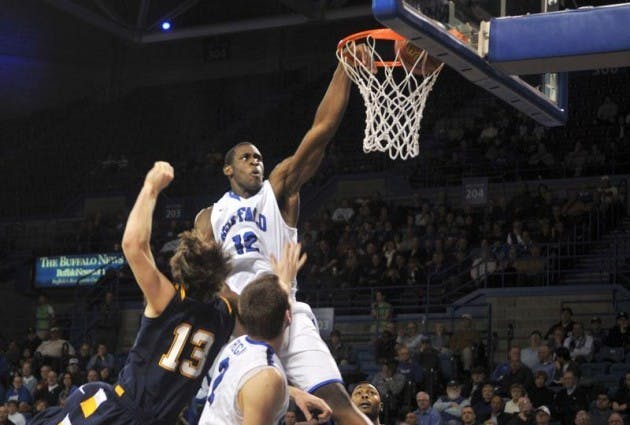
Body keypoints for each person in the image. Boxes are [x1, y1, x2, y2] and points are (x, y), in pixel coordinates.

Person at [194, 47, 374, 425]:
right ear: (227, 169)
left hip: (287, 311)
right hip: (240, 324)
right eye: (246, 157)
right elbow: (205, 278)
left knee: (338, 403)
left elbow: (320, 132)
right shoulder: (208, 217)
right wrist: (240, 310)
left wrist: (344, 69)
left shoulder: (277, 188)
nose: (255, 162)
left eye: (259, 157)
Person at [29, 162, 236, 425]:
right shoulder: (225, 315)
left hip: (125, 412)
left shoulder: (168, 300)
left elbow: (133, 245)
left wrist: (151, 187)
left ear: (181, 266)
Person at [198, 244, 331, 425]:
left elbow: (249, 389)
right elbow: (261, 386)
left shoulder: (239, 344)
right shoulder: (266, 376)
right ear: (289, 317)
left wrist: (295, 393)